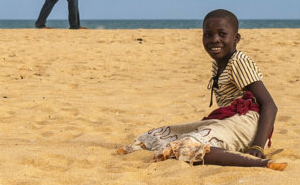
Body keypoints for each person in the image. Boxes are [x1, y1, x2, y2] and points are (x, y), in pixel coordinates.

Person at [119, 9, 286, 170]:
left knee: (187, 145)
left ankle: (258, 163)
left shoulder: (238, 61)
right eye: (208, 35)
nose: (214, 39)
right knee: (158, 135)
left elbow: (269, 105)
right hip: (229, 122)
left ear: (236, 38)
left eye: (222, 34)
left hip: (247, 125)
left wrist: (257, 146)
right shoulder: (217, 64)